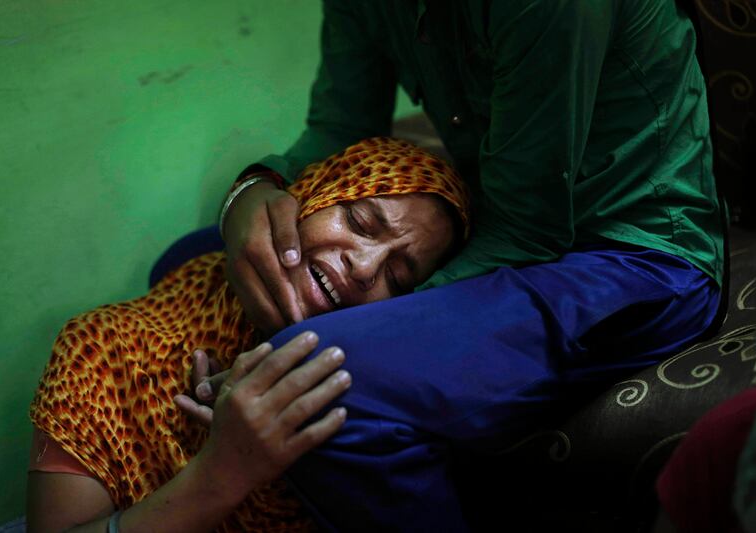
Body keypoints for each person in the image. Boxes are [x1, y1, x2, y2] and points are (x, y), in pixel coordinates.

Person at [218, 0, 726, 530]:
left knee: (312, 385)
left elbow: (525, 228)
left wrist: (342, 324)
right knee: (198, 256)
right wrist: (249, 191)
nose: (364, 267)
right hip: (505, 221)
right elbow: (341, 130)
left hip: (632, 261)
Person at [26, 137, 470, 532]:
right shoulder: (106, 349)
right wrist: (224, 472)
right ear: (306, 195)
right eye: (359, 221)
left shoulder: (358, 405)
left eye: (397, 277)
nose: (366, 267)